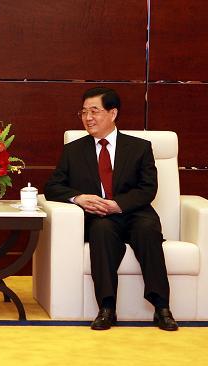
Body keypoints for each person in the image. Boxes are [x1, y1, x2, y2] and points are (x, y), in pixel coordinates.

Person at [44, 87, 178, 331]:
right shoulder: (74, 150)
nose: (88, 118)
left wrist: (120, 204)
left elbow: (148, 189)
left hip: (135, 213)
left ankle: (162, 308)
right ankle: (107, 309)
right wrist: (79, 198)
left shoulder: (139, 148)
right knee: (101, 232)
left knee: (148, 231)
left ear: (113, 113)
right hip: (99, 217)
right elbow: (53, 187)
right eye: (83, 112)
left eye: (94, 111)